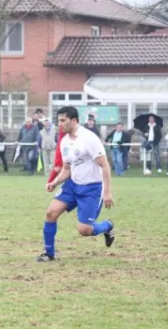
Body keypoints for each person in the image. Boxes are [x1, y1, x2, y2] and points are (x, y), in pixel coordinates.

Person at [37, 106, 115, 262]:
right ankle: (49, 253)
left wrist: (107, 192)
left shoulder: (89, 139)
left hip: (92, 188)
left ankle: (107, 226)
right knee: (51, 213)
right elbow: (67, 169)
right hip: (73, 185)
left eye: (63, 120)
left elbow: (105, 166)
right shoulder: (65, 141)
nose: (59, 124)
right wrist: (55, 182)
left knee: (84, 230)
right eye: (58, 120)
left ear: (74, 121)